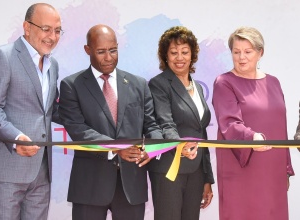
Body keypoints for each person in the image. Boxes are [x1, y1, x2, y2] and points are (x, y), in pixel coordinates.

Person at [58, 24, 163, 220]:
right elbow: (77, 129)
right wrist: (116, 148)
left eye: (113, 50)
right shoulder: (72, 85)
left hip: (131, 186)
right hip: (89, 186)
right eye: (101, 52)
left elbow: (152, 125)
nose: (108, 57)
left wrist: (153, 147)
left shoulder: (138, 84)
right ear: (87, 50)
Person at [0, 3, 62, 220]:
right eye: (46, 29)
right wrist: (17, 138)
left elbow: (50, 110)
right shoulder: (3, 56)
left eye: (57, 30)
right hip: (6, 171)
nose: (52, 36)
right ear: (27, 27)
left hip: (41, 173)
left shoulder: (53, 65)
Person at [212, 26, 294, 220]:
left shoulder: (274, 82)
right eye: (236, 52)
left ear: (260, 53)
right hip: (241, 167)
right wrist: (252, 137)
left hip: (273, 170)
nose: (241, 57)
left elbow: (281, 128)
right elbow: (229, 123)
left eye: (248, 52)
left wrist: (287, 168)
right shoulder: (224, 82)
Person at [148, 26, 214, 220]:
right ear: (165, 56)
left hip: (196, 172)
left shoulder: (198, 88)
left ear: (192, 54)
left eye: (184, 52)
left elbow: (202, 134)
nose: (179, 57)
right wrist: (179, 145)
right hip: (169, 168)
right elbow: (164, 122)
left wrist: (207, 178)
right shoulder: (158, 84)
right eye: (173, 52)